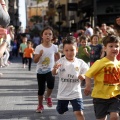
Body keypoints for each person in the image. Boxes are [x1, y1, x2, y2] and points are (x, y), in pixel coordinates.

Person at [52, 36, 89, 120]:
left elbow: (87, 71)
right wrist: (55, 69)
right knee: (60, 110)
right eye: (66, 50)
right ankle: (62, 108)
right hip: (63, 93)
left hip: (76, 93)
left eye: (72, 50)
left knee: (79, 112)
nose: (69, 53)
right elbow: (54, 73)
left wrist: (83, 75)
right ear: (63, 51)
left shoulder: (80, 62)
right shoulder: (60, 61)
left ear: (76, 49)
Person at [84, 34, 120, 120]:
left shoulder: (118, 63)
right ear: (105, 48)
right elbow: (88, 74)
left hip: (115, 96)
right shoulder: (100, 63)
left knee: (114, 116)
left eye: (117, 46)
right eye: (111, 46)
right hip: (100, 97)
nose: (114, 48)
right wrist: (88, 86)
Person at [34, 26, 60, 113]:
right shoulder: (38, 48)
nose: (48, 36)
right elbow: (35, 61)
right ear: (42, 36)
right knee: (41, 89)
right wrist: (39, 55)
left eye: (50, 34)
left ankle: (48, 96)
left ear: (52, 37)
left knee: (51, 85)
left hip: (50, 70)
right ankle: (40, 105)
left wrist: (59, 58)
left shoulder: (54, 47)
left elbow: (57, 57)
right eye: (45, 34)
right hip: (40, 71)